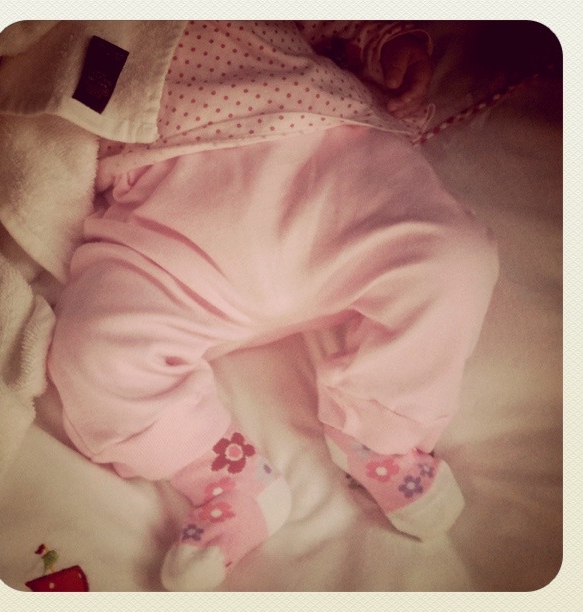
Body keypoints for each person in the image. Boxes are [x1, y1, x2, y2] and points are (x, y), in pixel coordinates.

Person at [47, 21, 499, 591]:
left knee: (454, 259)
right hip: (165, 207)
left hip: (317, 149)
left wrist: (391, 39)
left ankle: (379, 432)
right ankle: (228, 478)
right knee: (95, 349)